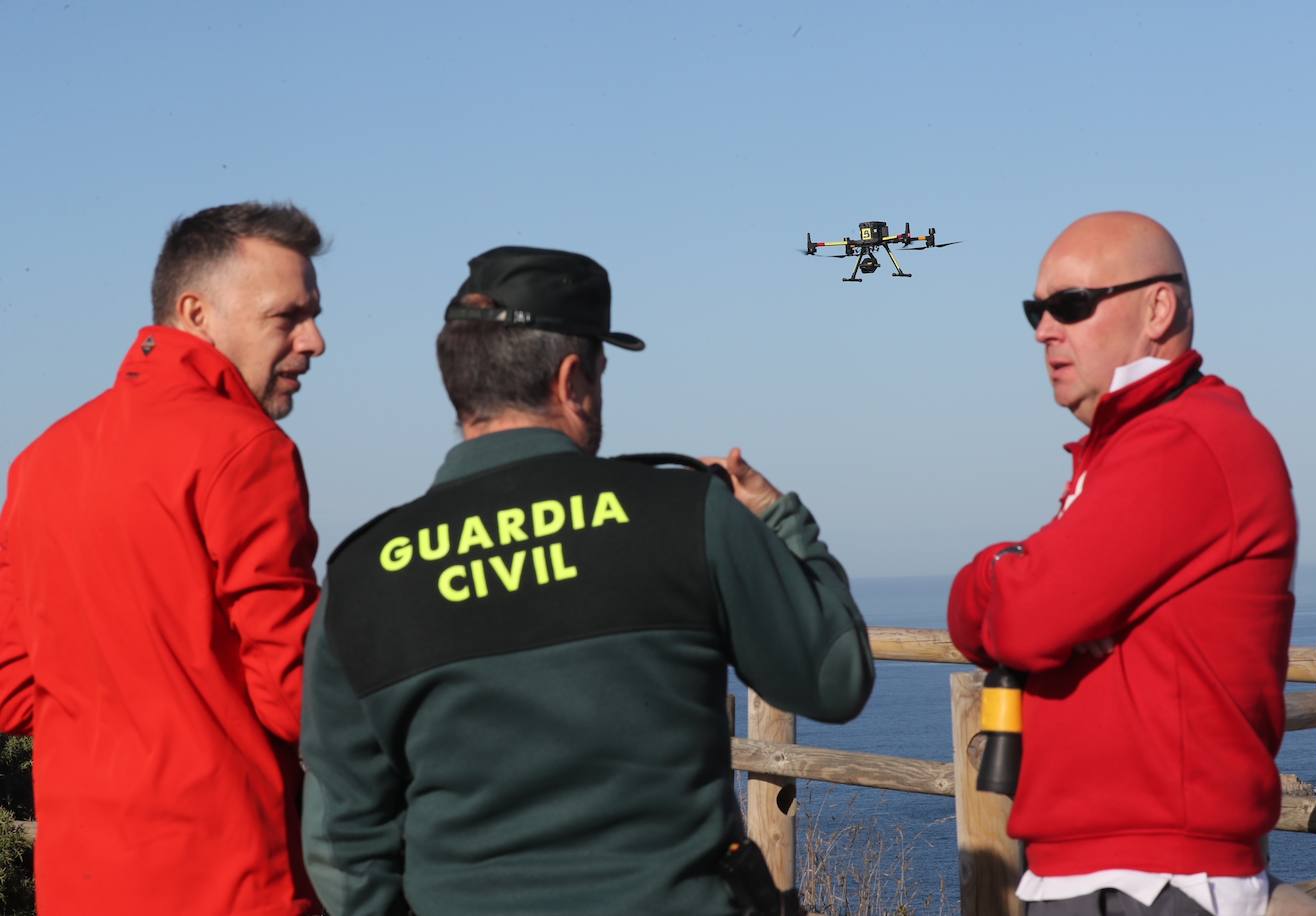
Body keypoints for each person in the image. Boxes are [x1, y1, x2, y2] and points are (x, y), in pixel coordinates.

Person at [300, 246, 874, 915]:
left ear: (458, 382)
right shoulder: (684, 514)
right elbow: (835, 678)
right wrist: (781, 518)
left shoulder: (362, 578)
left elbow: (343, 840)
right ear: (573, 380)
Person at [947, 212, 1298, 916]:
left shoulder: (1187, 441)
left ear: (1158, 308)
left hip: (1155, 879)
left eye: (1071, 305)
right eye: (1036, 311)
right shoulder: (1129, 449)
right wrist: (1015, 576)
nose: (1046, 330)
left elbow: (1024, 617)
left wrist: (1002, 571)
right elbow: (990, 613)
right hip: (1108, 873)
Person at [0, 202, 327, 914]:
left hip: (82, 884)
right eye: (288, 316)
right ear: (197, 312)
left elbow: (12, 687)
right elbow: (298, 694)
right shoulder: (245, 449)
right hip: (234, 879)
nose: (315, 341)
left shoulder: (38, 463)